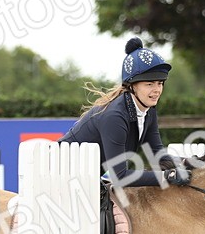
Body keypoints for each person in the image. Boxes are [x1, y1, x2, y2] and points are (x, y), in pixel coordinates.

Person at [58, 37, 190, 188]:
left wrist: (189, 162)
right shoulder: (115, 116)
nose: (157, 90)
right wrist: (168, 176)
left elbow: (157, 156)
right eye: (149, 84)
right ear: (131, 86)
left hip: (88, 181)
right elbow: (119, 176)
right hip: (61, 177)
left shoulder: (149, 110)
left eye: (160, 83)